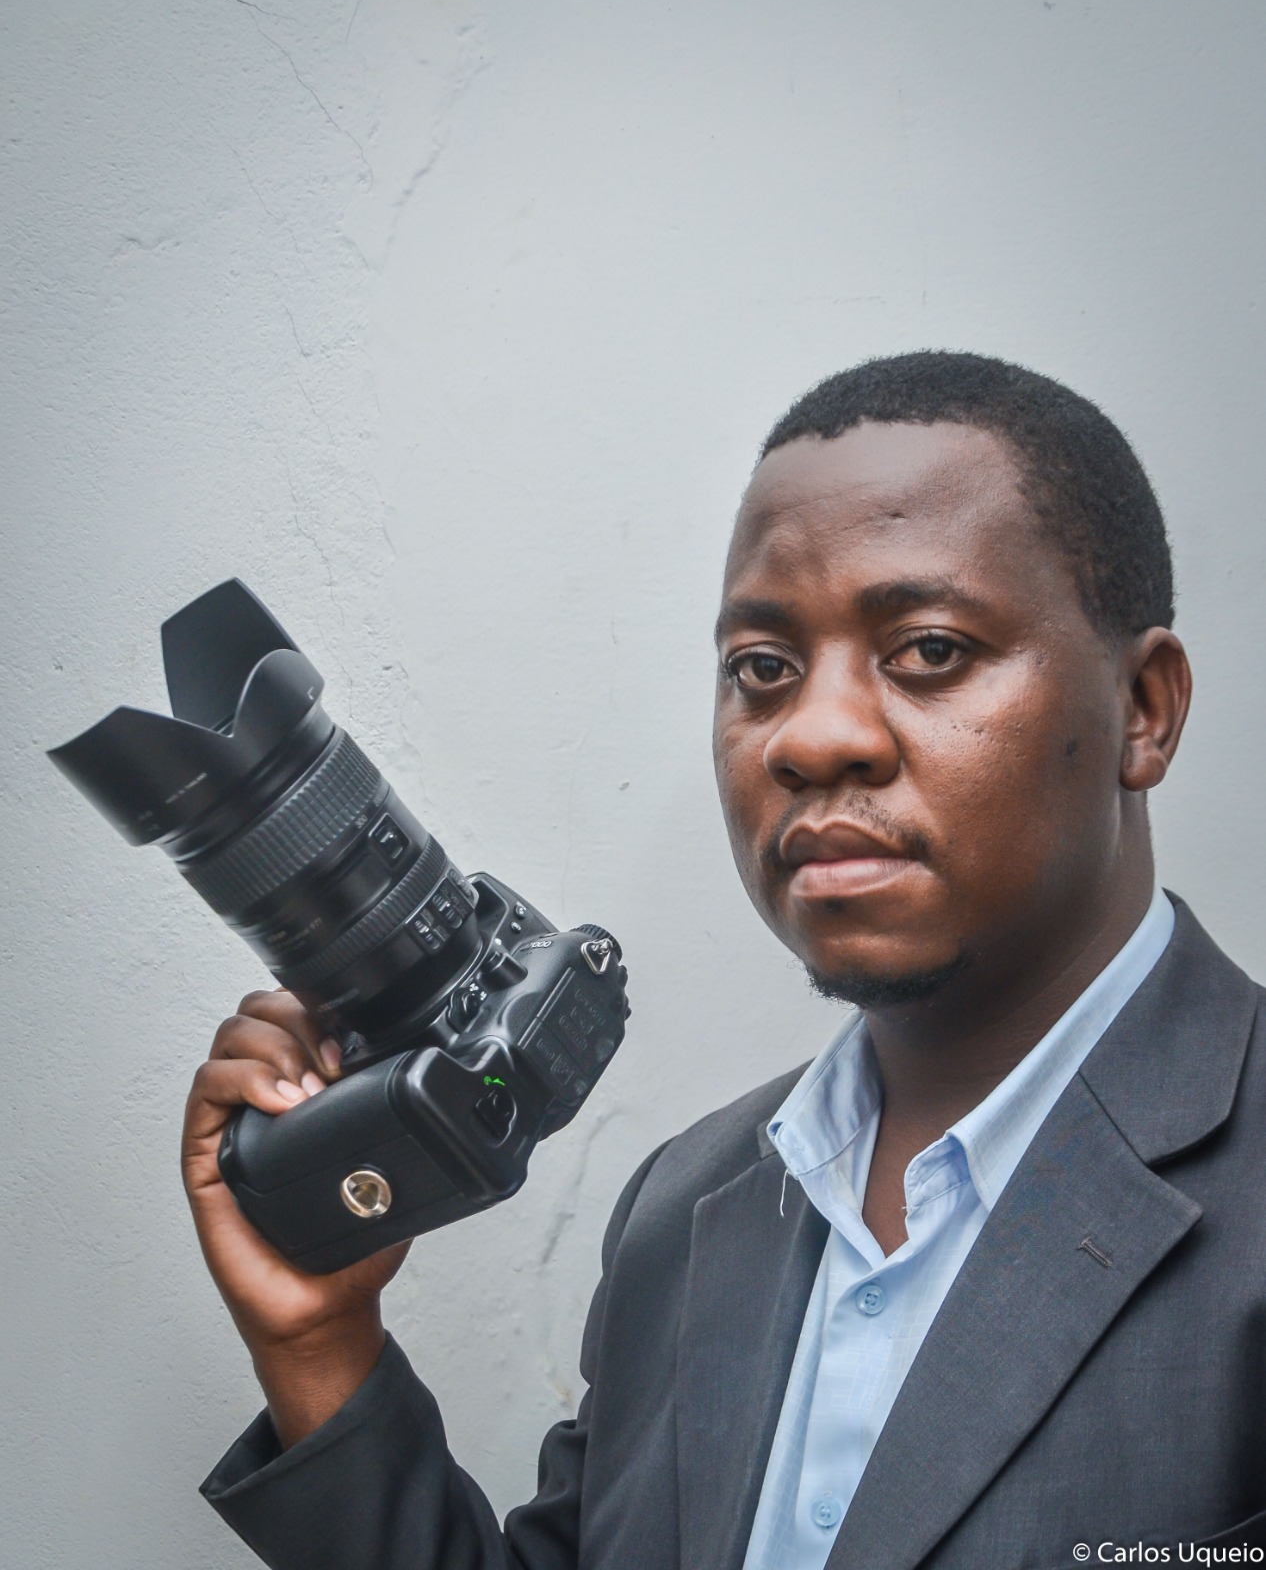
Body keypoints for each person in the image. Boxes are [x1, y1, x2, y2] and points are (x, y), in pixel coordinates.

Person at [191, 352, 1266, 1568]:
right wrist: (319, 1347)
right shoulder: (685, 1207)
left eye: (927, 649)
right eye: (763, 669)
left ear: (1144, 708)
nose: (813, 736)